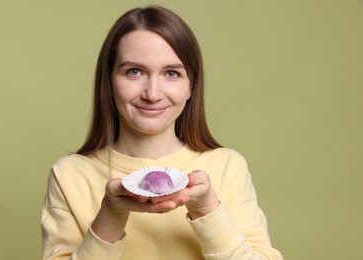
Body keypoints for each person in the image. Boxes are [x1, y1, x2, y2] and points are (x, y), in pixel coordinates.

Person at [41, 5, 283, 260]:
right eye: (134, 72)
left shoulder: (227, 166)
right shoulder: (69, 176)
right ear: (109, 82)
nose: (153, 94)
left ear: (191, 87)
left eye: (171, 73)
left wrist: (207, 209)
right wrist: (111, 214)